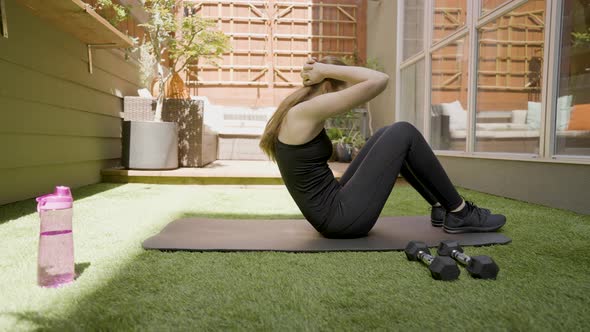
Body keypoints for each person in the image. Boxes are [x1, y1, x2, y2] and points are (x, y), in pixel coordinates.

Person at [259, 56, 506, 239]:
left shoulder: (299, 111)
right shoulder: (304, 112)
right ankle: (461, 212)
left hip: (334, 207)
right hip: (340, 219)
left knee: (386, 134)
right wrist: (324, 69)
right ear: (329, 86)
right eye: (345, 89)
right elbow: (380, 79)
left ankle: (441, 208)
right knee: (403, 131)